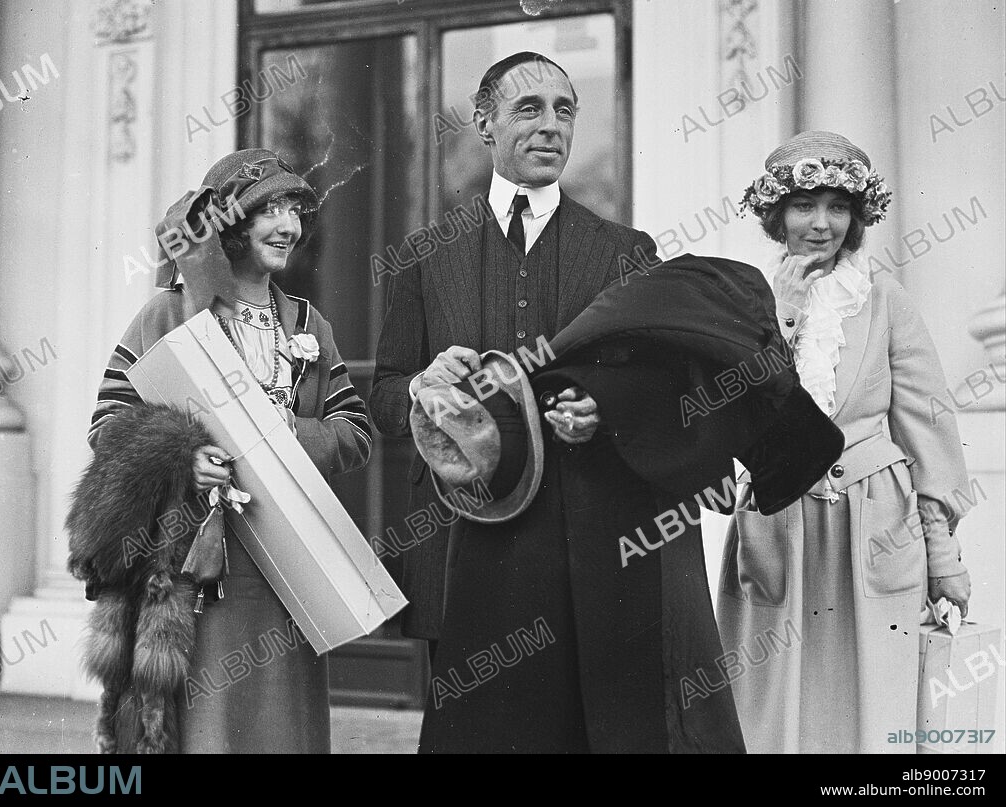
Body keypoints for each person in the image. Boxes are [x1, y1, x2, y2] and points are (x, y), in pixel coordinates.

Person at [370, 51, 744, 753]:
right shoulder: (427, 254)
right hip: (472, 536)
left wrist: (604, 413)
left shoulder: (626, 252)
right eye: (528, 108)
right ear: (484, 123)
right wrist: (422, 383)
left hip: (594, 540)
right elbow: (384, 392)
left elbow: (664, 393)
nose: (550, 126)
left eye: (564, 109)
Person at [79, 149, 371, 753]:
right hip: (192, 571)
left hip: (287, 569)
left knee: (278, 728)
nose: (289, 225)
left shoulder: (310, 326)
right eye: (270, 210)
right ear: (231, 222)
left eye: (295, 210)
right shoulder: (168, 313)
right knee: (205, 728)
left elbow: (355, 430)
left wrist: (292, 431)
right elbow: (109, 423)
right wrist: (181, 459)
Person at [717, 131, 972, 754]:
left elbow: (928, 429)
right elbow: (727, 408)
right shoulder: (743, 300)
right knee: (768, 702)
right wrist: (781, 315)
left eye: (839, 207)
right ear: (777, 215)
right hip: (778, 520)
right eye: (805, 205)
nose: (822, 223)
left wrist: (944, 557)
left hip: (877, 522)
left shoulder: (884, 299)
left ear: (857, 218)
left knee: (875, 703)